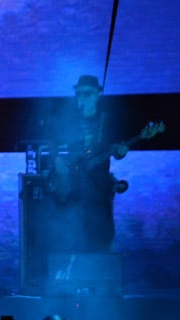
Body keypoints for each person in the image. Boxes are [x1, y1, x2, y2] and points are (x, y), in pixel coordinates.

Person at [45, 74, 129, 253]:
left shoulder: (107, 121)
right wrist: (57, 158)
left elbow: (116, 148)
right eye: (79, 94)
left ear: (98, 94)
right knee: (70, 227)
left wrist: (120, 152)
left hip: (98, 184)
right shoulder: (69, 120)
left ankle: (100, 268)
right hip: (73, 184)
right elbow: (52, 140)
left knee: (101, 231)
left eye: (88, 94)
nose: (82, 98)